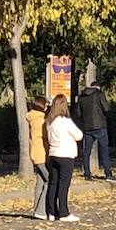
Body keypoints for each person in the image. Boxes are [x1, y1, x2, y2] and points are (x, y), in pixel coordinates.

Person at [44, 94, 83, 222]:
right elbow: (79, 135)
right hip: (65, 154)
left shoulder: (49, 121)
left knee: (53, 183)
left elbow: (49, 139)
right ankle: (63, 213)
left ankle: (51, 211)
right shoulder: (65, 121)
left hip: (53, 154)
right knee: (64, 185)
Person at [76, 80, 114, 180]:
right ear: (98, 87)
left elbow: (79, 113)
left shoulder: (81, 97)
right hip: (100, 125)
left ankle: (87, 174)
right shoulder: (99, 94)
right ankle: (108, 174)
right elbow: (106, 109)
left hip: (87, 127)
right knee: (104, 150)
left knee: (86, 151)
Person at [27, 95, 49, 220]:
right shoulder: (40, 120)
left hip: (35, 152)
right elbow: (46, 135)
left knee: (40, 181)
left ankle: (36, 209)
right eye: (45, 105)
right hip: (41, 153)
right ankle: (41, 210)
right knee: (49, 180)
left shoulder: (31, 117)